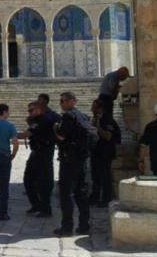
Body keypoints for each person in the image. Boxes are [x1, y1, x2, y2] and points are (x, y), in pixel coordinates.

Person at [53, 93, 92, 237]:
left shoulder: (68, 116)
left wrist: (55, 129)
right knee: (81, 192)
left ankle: (67, 227)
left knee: (66, 193)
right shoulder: (83, 116)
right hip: (82, 159)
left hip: (69, 160)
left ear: (70, 101)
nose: (61, 103)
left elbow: (61, 136)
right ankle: (84, 225)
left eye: (62, 100)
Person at [20, 101, 57, 217]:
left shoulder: (42, 120)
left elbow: (27, 134)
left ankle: (45, 209)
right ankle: (37, 205)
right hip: (37, 152)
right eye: (28, 111)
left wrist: (10, 134)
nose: (29, 113)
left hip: (43, 153)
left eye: (31, 110)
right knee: (29, 180)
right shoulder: (38, 120)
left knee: (43, 182)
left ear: (39, 109)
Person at [89, 99, 121, 207]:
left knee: (104, 177)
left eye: (94, 107)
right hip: (96, 152)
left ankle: (106, 199)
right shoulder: (97, 119)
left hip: (105, 153)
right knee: (95, 176)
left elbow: (108, 136)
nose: (92, 109)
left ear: (100, 108)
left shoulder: (107, 120)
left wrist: (98, 127)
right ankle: (95, 197)